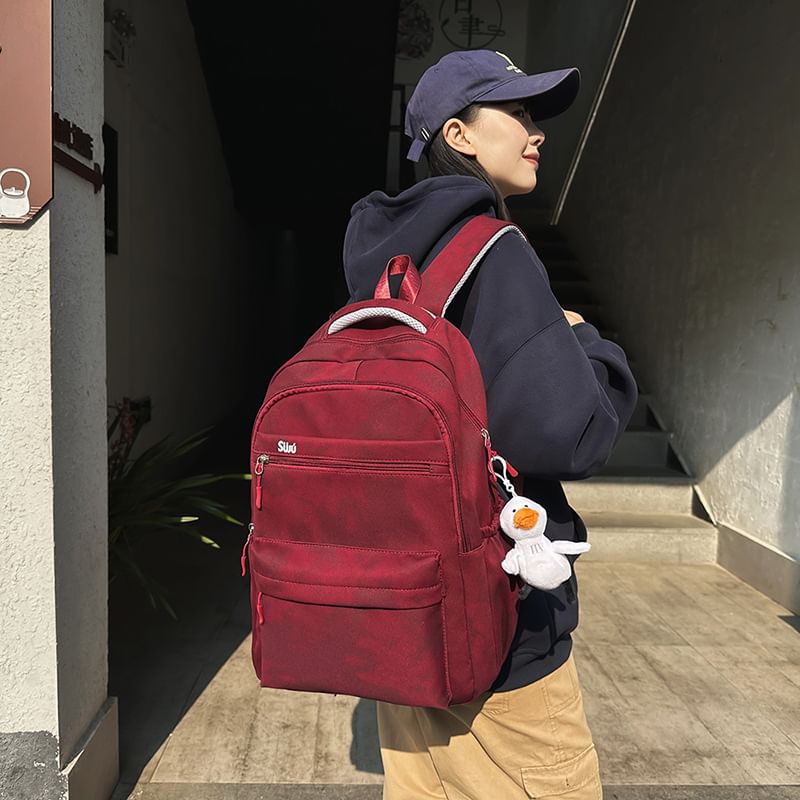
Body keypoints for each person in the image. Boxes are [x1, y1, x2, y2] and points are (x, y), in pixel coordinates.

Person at [342, 49, 638, 799]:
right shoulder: (495, 252)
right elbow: (573, 433)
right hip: (499, 619)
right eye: (518, 112)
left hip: (407, 610)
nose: (536, 132)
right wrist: (588, 340)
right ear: (460, 134)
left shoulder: (388, 260)